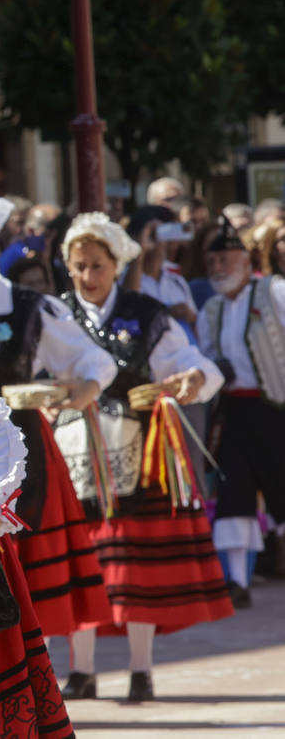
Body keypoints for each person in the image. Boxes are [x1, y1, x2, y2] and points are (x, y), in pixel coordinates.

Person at [57, 213, 231, 702]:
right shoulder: (55, 314)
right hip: (71, 456)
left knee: (135, 568)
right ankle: (82, 670)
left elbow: (192, 364)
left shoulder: (147, 313)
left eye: (97, 266)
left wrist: (194, 380)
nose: (88, 276)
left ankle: (140, 670)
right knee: (80, 562)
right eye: (78, 266)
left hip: (138, 457)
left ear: (116, 264)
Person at [0, 197, 117, 640]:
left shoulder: (31, 307)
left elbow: (93, 359)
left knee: (37, 548)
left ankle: (61, 658)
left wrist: (87, 387)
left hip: (25, 444)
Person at [196, 216, 285, 609]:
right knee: (235, 492)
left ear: (246, 261)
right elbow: (203, 358)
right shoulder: (211, 309)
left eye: (227, 260)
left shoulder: (275, 292)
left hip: (276, 407)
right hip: (232, 410)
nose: (219, 269)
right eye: (213, 262)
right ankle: (237, 580)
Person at [123, 205, 196, 326]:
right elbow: (128, 308)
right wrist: (140, 250)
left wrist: (186, 313)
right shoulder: (123, 278)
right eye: (152, 232)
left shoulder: (177, 281)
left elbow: (194, 321)